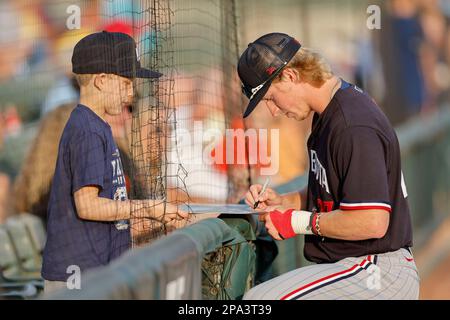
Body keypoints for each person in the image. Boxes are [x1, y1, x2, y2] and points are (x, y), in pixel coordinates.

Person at [238, 33, 419, 300]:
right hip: (360, 264)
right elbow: (334, 192)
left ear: (290, 77)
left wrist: (296, 222)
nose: (273, 111)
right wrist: (286, 202)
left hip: (376, 269)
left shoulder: (352, 124)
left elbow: (372, 222)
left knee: (260, 300)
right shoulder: (332, 110)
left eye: (270, 98)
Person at [42, 31, 189, 292]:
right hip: (78, 277)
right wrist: (148, 209)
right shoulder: (87, 129)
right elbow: (87, 206)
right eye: (126, 83)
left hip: (97, 270)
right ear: (101, 80)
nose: (132, 93)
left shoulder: (98, 126)